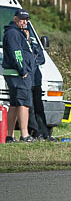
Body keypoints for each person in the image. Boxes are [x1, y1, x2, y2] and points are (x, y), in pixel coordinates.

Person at [2, 8, 35, 143]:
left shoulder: (16, 33)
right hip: (18, 74)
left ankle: (10, 135)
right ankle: (25, 135)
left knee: (15, 104)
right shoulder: (13, 34)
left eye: (26, 20)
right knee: (24, 103)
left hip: (14, 73)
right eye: (22, 19)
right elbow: (17, 54)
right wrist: (23, 72)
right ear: (15, 19)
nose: (24, 22)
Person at [28, 25, 56, 141]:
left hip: (36, 79)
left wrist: (31, 60)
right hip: (26, 80)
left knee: (39, 108)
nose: (26, 33)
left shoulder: (33, 43)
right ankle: (36, 132)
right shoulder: (19, 42)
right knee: (30, 109)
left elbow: (41, 58)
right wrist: (31, 60)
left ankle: (45, 133)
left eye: (27, 31)